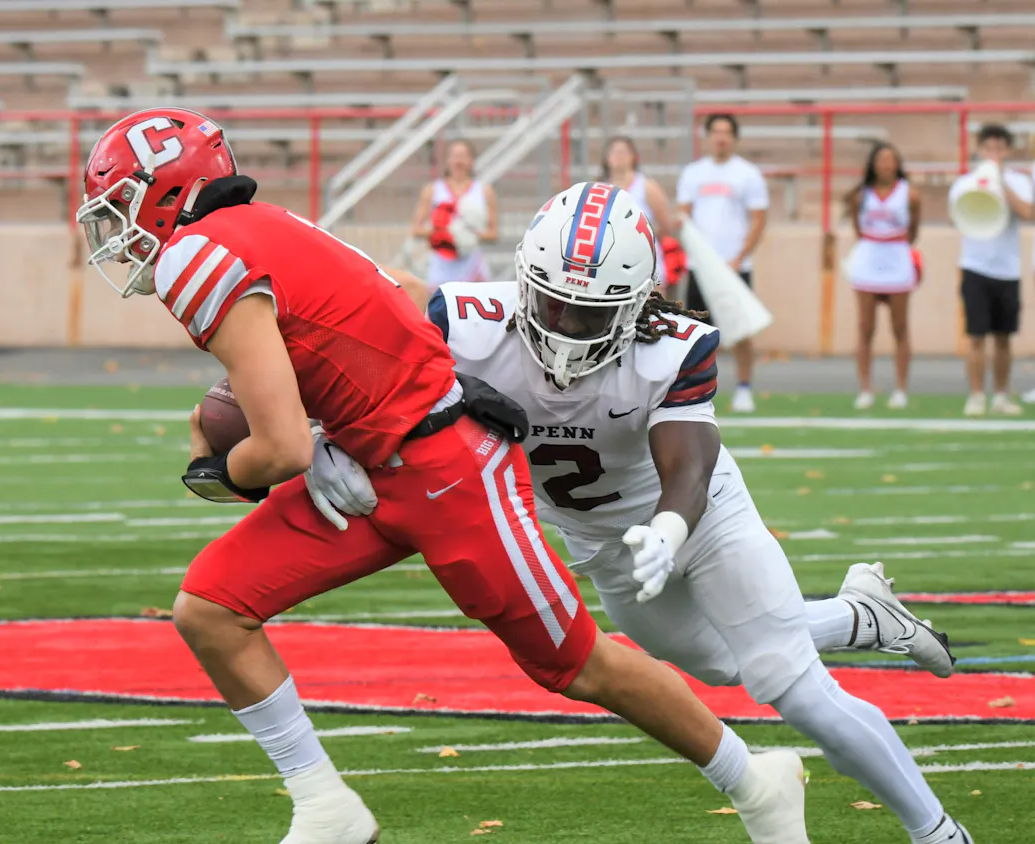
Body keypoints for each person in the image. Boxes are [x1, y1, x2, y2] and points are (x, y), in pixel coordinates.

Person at [78, 109, 808, 844]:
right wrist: (339, 429)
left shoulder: (193, 256)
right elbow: (391, 294)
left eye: (120, 206)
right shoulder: (262, 224)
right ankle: (324, 805)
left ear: (164, 192)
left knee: (575, 664)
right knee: (211, 606)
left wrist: (217, 470)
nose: (115, 231)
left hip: (449, 468)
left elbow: (279, 448)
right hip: (372, 461)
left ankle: (754, 781)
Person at [335, 182, 968, 844]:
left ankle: (939, 832)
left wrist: (669, 529)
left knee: (792, 685)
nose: (565, 327)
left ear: (634, 304)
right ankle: (861, 615)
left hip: (703, 520)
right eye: (553, 303)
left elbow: (688, 469)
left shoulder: (671, 348)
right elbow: (356, 319)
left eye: (589, 314)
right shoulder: (464, 321)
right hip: (606, 549)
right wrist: (334, 439)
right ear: (524, 282)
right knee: (724, 665)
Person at [676, 114, 769, 413]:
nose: (721, 138)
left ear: (734, 138)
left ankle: (744, 389)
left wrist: (739, 257)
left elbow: (758, 220)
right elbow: (684, 217)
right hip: (701, 268)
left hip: (734, 267)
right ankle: (694, 392)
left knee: (740, 331)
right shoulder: (693, 173)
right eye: (715, 132)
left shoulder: (748, 174)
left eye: (727, 132)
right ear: (707, 137)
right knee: (695, 332)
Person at [950, 123, 1033, 416]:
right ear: (979, 149)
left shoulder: (1018, 181)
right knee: (976, 336)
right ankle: (975, 395)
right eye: (989, 148)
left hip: (1007, 269)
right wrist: (984, 185)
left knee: (1003, 338)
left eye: (1000, 148)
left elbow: (1028, 212)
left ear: (1008, 150)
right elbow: (958, 216)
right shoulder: (965, 182)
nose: (994, 153)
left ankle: (1001, 395)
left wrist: (1001, 184)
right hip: (975, 266)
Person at [845, 143, 921, 411]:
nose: (886, 165)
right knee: (865, 327)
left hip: (897, 258)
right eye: (882, 160)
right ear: (873, 164)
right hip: (869, 259)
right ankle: (865, 389)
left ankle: (900, 389)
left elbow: (914, 229)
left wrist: (896, 244)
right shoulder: (861, 195)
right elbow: (857, 227)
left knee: (900, 327)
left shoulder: (909, 194)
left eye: (891, 160)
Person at [409, 138, 497, 293]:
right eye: (455, 155)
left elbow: (493, 233)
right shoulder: (432, 190)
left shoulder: (484, 191)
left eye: (463, 156)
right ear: (448, 160)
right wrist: (444, 232)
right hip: (441, 271)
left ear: (471, 160)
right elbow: (416, 229)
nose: (459, 161)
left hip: (473, 270)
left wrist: (466, 235)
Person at [602, 136, 679, 272]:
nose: (619, 156)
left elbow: (665, 224)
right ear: (607, 158)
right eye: (615, 152)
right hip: (611, 263)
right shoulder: (601, 189)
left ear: (634, 157)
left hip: (644, 262)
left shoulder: (646, 186)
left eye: (624, 152)